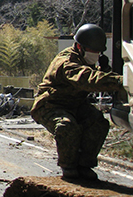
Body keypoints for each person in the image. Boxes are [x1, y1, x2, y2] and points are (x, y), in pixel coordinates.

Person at [31, 24, 125, 181]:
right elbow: (87, 79)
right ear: (79, 46)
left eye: (98, 52)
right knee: (67, 127)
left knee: (98, 122)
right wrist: (124, 81)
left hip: (76, 104)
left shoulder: (87, 59)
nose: (95, 55)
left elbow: (102, 80)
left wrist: (105, 68)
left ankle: (84, 165)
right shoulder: (67, 62)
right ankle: (69, 167)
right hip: (51, 104)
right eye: (92, 51)